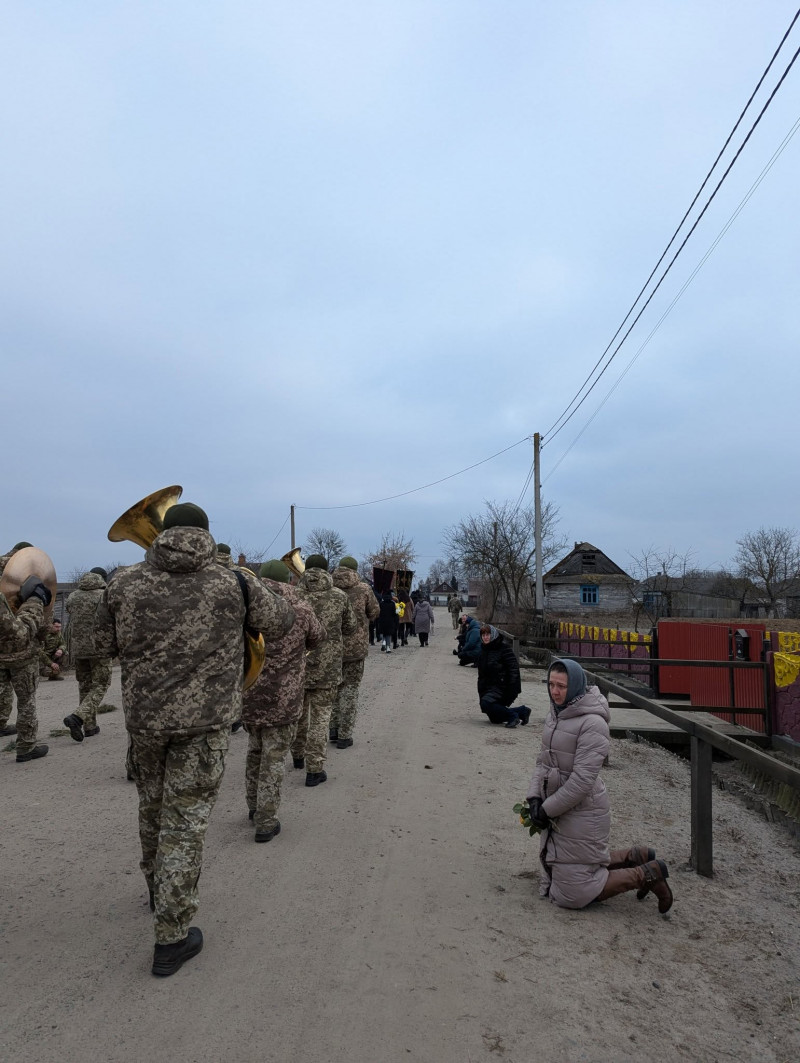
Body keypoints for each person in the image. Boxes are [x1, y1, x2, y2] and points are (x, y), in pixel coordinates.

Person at [94, 502, 295, 976]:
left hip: (144, 722)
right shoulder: (235, 581)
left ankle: (157, 891)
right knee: (185, 823)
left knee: (152, 807)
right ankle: (171, 937)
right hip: (205, 725)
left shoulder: (123, 582)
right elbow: (282, 623)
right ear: (207, 534)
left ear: (162, 532)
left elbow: (99, 647)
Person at [526, 659, 672, 913]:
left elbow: (582, 781)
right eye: (551, 684)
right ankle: (633, 856)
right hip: (560, 807)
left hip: (584, 811)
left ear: (575, 686)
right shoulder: (556, 714)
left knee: (570, 894)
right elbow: (543, 761)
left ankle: (647, 873)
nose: (555, 691)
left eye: (561, 685)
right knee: (562, 868)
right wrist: (534, 798)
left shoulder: (593, 723)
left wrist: (547, 809)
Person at [243, 560, 325, 842]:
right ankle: (266, 821)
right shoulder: (300, 610)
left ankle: (253, 808)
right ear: (288, 581)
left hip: (249, 693)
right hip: (284, 697)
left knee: (254, 751)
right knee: (274, 759)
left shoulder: (245, 609)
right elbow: (318, 638)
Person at [290, 554, 357, 787]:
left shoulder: (293, 595)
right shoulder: (339, 596)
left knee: (298, 713)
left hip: (297, 665)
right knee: (320, 717)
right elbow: (350, 627)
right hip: (327, 668)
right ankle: (314, 769)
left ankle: (297, 756)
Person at [0, 576, 51, 758]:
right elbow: (19, 634)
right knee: (26, 700)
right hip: (19, 657)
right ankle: (26, 747)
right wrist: (35, 602)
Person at [330, 556, 379, 748]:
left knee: (333, 689)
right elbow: (375, 612)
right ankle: (344, 735)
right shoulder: (364, 589)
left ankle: (332, 729)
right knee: (350, 690)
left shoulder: (329, 588)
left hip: (332, 649)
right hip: (355, 649)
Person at [63, 567, 113, 741]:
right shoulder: (104, 595)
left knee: (84, 685)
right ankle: (77, 717)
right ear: (103, 579)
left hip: (78, 649)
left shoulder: (73, 596)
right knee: (101, 684)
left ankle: (90, 726)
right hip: (99, 648)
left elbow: (70, 611)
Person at [477, 624, 530, 728]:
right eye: (483, 635)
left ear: (493, 634)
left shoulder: (503, 648)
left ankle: (513, 715)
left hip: (503, 687)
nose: (485, 637)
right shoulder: (483, 650)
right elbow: (481, 674)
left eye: (488, 634)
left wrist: (512, 689)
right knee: (495, 718)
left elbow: (513, 669)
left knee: (486, 703)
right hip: (488, 687)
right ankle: (522, 711)